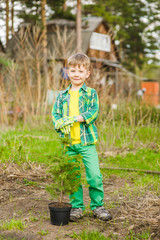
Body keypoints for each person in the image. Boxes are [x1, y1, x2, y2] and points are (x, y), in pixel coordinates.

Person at [52, 53, 112, 222]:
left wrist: (74, 119)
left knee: (94, 175)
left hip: (86, 143)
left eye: (80, 70)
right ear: (67, 72)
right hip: (69, 144)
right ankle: (77, 206)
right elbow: (55, 114)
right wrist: (60, 123)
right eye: (73, 70)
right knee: (73, 175)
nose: (76, 74)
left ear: (87, 73)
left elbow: (93, 112)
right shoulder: (62, 95)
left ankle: (98, 206)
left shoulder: (91, 93)